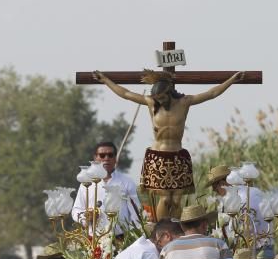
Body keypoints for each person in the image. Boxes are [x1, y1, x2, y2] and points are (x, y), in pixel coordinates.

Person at [92, 71, 243, 221]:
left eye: (163, 97)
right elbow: (125, 94)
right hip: (158, 156)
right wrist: (106, 80)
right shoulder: (152, 103)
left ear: (169, 92)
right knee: (165, 199)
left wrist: (231, 80)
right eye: (158, 98)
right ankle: (162, 229)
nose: (161, 101)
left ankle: (175, 230)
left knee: (177, 201)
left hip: (178, 156)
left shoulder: (184, 102)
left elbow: (212, 93)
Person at [205, 164, 273, 259]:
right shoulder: (254, 191)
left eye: (215, 188)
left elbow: (239, 229)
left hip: (255, 251)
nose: (215, 192)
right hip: (266, 246)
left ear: (223, 183)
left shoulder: (237, 198)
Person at [71, 142, 141, 232]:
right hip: (93, 241)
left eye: (110, 155)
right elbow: (76, 210)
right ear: (95, 158)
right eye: (102, 155)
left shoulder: (127, 182)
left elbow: (136, 214)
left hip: (123, 240)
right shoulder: (86, 182)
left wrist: (134, 236)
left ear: (115, 158)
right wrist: (86, 217)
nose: (106, 158)